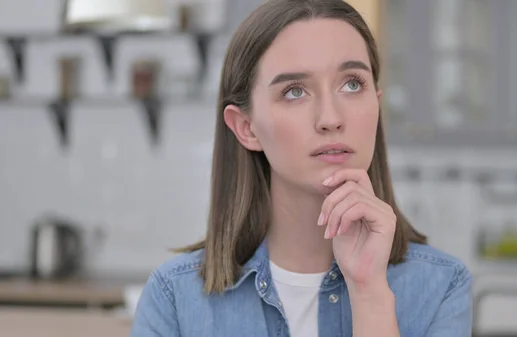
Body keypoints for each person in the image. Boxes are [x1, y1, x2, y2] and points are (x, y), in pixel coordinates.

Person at [130, 0, 472, 336]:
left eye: (352, 84)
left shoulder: (442, 287)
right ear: (246, 128)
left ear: (376, 105)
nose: (331, 118)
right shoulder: (174, 297)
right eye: (295, 91)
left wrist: (369, 291)